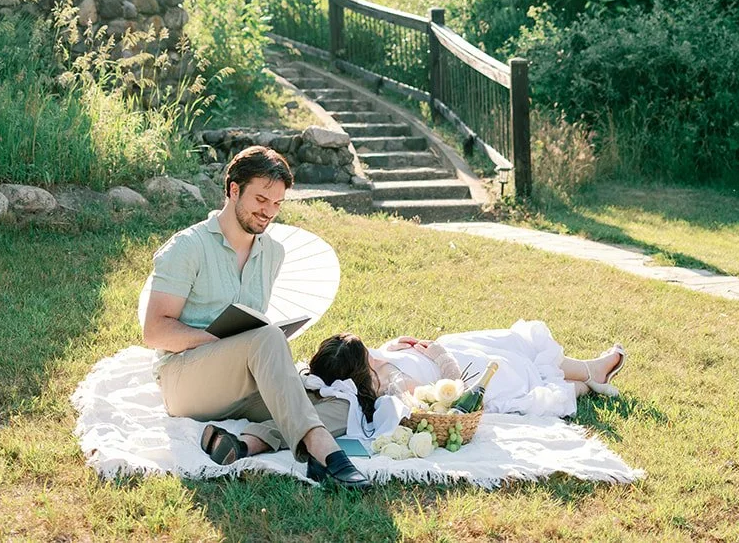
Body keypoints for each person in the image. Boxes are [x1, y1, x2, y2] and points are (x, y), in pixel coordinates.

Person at [142, 144, 371, 489]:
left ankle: (246, 443)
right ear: (234, 190)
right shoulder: (187, 248)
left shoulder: (273, 253)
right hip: (185, 380)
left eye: (277, 204)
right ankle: (325, 452)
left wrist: (258, 348)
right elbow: (155, 331)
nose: (269, 213)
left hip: (240, 383)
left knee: (339, 403)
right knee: (266, 341)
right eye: (261, 200)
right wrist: (230, 342)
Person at [308, 325, 627, 425]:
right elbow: (453, 390)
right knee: (523, 364)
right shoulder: (393, 384)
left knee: (513, 342)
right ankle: (591, 375)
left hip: (455, 350)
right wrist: (438, 354)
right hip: (465, 369)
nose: (371, 353)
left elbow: (383, 356)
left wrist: (392, 346)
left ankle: (590, 374)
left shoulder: (373, 364)